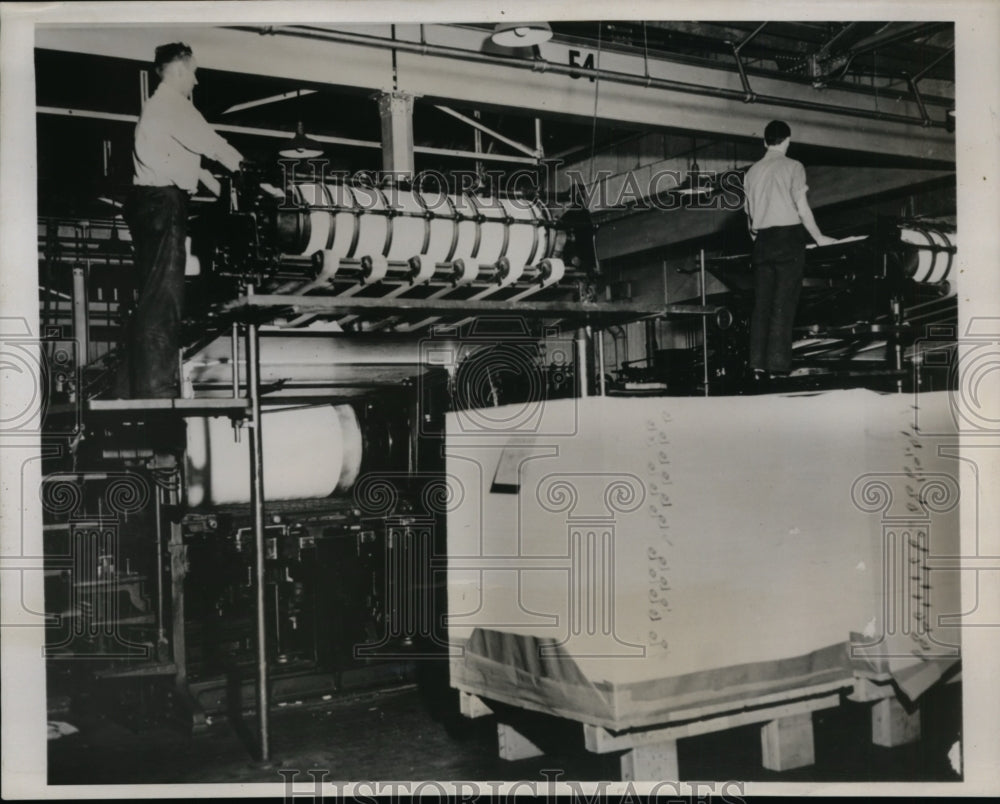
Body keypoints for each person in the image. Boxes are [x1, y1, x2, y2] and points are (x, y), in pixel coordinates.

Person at [120, 42, 243, 399]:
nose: (196, 81)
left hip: (149, 203)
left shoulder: (157, 108)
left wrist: (221, 187)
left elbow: (192, 161)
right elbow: (210, 143)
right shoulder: (174, 105)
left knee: (150, 296)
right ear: (177, 71)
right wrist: (247, 170)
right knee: (165, 300)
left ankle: (132, 385)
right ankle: (157, 390)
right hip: (164, 203)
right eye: (193, 72)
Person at [743, 120, 836, 379]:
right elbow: (802, 207)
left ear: (764, 142)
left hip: (762, 242)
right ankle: (777, 367)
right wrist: (818, 237)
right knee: (783, 303)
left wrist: (761, 241)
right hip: (787, 239)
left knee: (761, 305)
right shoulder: (793, 166)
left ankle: (757, 366)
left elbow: (749, 219)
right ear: (787, 140)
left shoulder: (751, 172)